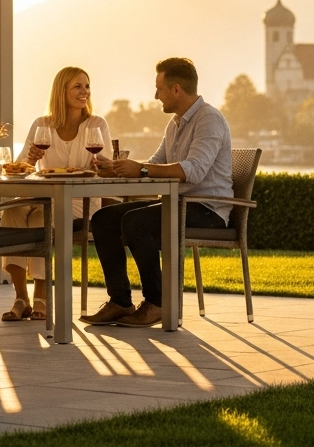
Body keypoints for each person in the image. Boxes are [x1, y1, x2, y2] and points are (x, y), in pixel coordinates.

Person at [82, 57, 232, 328]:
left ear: (176, 89)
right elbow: (155, 164)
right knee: (103, 219)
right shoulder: (175, 124)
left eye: (159, 89)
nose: (155, 95)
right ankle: (120, 302)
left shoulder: (209, 119)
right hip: (178, 204)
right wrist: (117, 169)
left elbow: (193, 171)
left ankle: (158, 303)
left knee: (135, 222)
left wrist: (140, 169)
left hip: (207, 210)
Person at [0, 66, 111, 322]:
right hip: (44, 195)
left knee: (43, 215)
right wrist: (30, 158)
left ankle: (40, 296)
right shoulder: (42, 125)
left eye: (87, 86)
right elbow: (20, 169)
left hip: (79, 201)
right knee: (12, 210)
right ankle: (21, 298)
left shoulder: (96, 124)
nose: (85, 92)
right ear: (61, 91)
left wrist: (100, 164)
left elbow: (107, 165)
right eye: (78, 86)